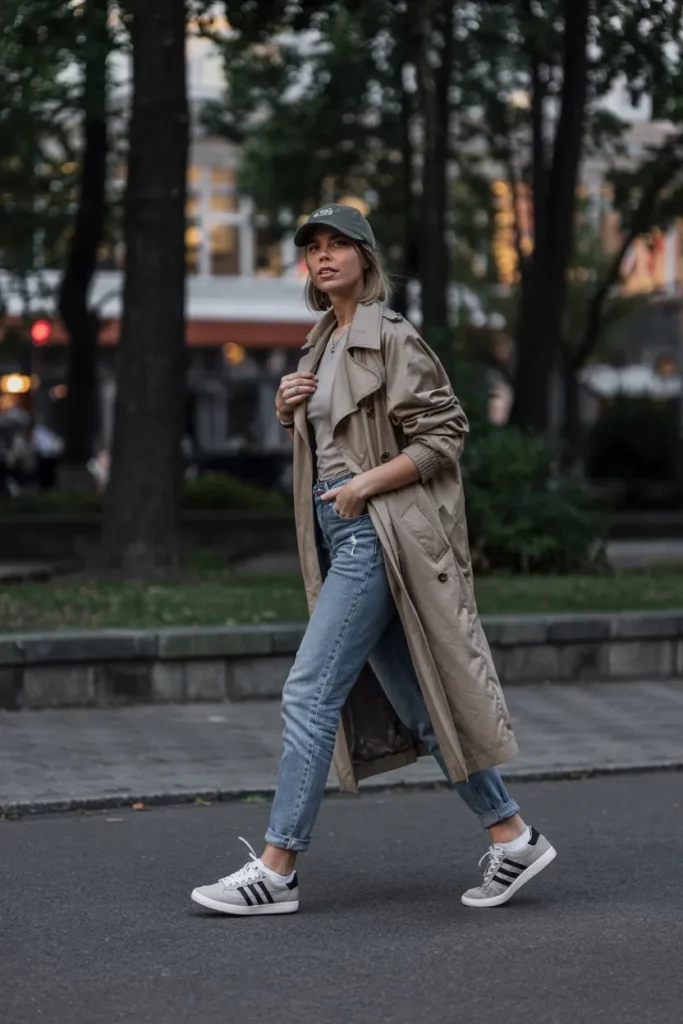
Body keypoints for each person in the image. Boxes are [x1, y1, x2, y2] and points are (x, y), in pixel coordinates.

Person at [191, 204, 556, 916]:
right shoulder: (321, 342)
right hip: (339, 532)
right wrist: (288, 408)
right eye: (313, 249)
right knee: (418, 705)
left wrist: (363, 486)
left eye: (338, 245)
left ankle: (277, 869)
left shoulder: (389, 335)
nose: (323, 257)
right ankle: (512, 836)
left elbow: (444, 433)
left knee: (308, 693)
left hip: (373, 533)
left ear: (365, 257)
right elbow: (336, 437)